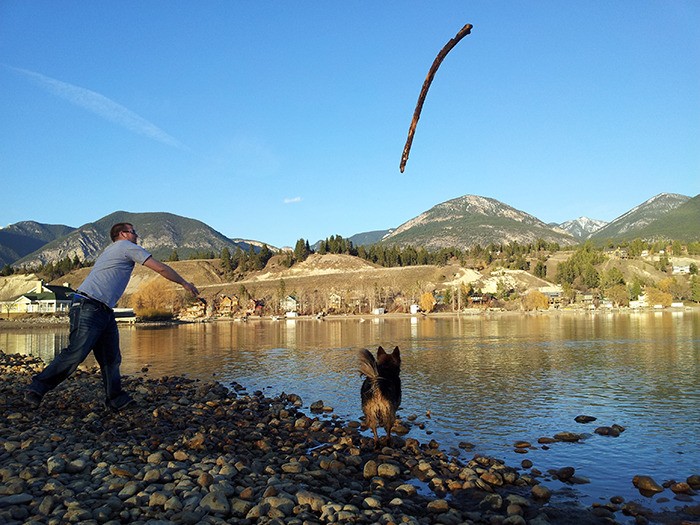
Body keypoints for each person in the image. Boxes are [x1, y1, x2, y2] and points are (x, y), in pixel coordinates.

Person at [24, 222, 200, 411]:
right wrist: (184, 283)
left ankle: (115, 399)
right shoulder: (126, 247)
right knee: (77, 352)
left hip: (103, 310)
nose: (137, 235)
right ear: (123, 234)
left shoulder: (115, 249)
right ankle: (37, 388)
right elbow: (160, 268)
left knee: (111, 358)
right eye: (134, 232)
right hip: (88, 306)